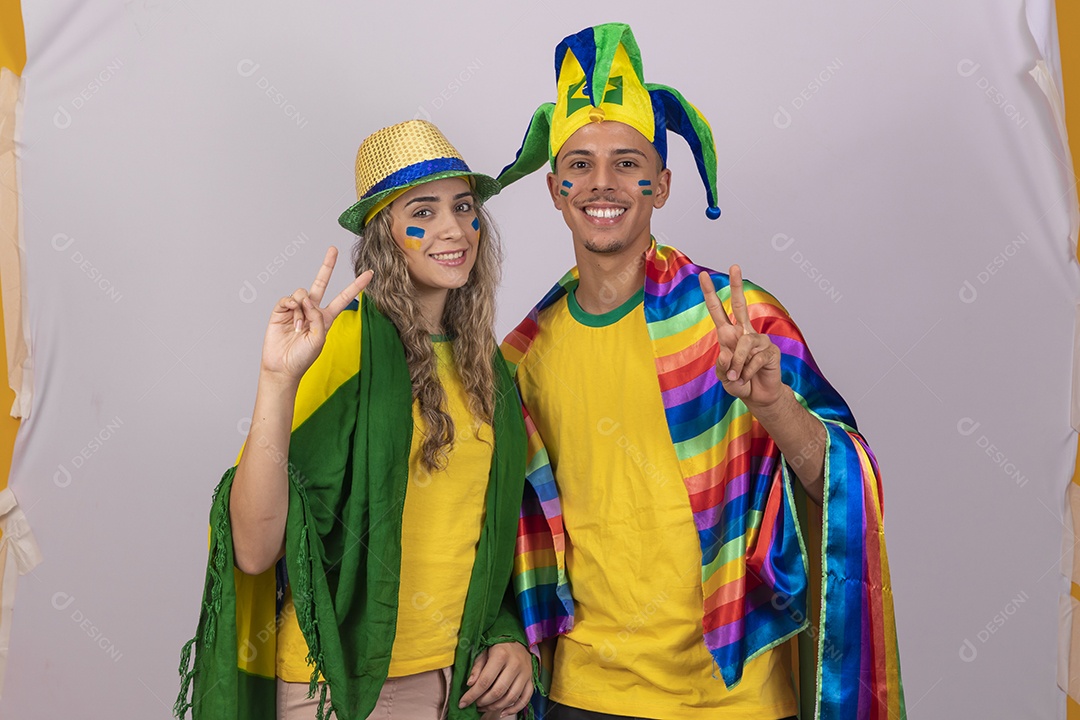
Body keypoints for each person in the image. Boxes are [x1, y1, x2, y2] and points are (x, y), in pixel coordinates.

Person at [495, 24, 906, 720]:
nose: (603, 182)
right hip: (584, 694)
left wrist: (774, 404)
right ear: (554, 187)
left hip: (735, 698)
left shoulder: (741, 322)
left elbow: (846, 481)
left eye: (628, 162)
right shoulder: (524, 354)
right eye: (581, 163)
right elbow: (500, 530)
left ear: (662, 183)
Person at [175, 119, 535, 720]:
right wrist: (278, 380)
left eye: (464, 207)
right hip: (354, 692)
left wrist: (505, 634)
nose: (453, 229)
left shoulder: (486, 362)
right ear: (386, 236)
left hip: (464, 686)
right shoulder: (346, 346)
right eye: (424, 210)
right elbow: (255, 547)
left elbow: (484, 540)